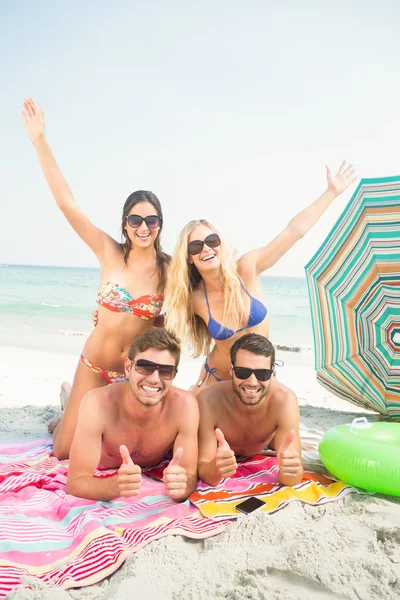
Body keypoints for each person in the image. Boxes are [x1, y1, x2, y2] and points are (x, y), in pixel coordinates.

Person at [22, 98, 170, 459]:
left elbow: (181, 312)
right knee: (62, 452)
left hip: (132, 375)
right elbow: (67, 205)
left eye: (151, 220)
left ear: (160, 224)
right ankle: (69, 402)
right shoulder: (108, 252)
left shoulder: (170, 270)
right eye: (135, 220)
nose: (143, 227)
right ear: (124, 224)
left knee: (119, 450)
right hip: (93, 363)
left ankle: (77, 407)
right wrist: (40, 141)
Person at [164, 162, 356, 392]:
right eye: (196, 246)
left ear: (221, 244)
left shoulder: (248, 268)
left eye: (212, 241)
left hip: (258, 380)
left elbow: (294, 232)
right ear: (188, 257)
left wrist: (331, 193)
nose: (206, 249)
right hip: (217, 379)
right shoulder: (194, 298)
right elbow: (162, 325)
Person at [66, 327, 199, 502]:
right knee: (61, 443)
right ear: (128, 367)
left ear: (173, 375)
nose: (154, 379)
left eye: (165, 371)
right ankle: (66, 396)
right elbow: (75, 483)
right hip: (97, 409)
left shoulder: (185, 406)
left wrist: (182, 486)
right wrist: (115, 486)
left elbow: (188, 475)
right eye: (145, 367)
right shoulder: (97, 404)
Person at [197, 333, 303, 487]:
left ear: (272, 372)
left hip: (265, 442)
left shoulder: (284, 401)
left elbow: (293, 478)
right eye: (243, 372)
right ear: (231, 370)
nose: (252, 382)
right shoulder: (208, 401)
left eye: (262, 374)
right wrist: (217, 466)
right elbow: (206, 472)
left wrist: (289, 471)